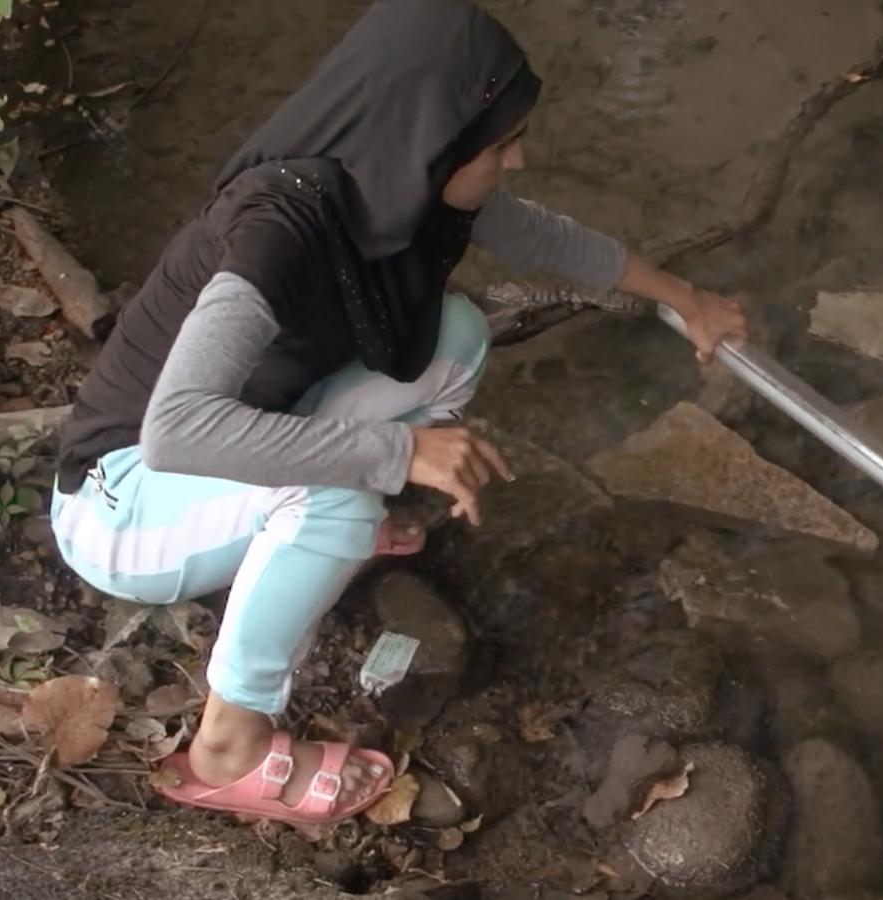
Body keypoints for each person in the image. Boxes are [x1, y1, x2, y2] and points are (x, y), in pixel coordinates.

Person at [48, 0, 747, 826]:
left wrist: (688, 298)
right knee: (335, 493)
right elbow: (175, 431)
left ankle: (314, 542)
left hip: (216, 455)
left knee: (455, 333)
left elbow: (551, 242)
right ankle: (227, 749)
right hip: (121, 503)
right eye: (500, 145)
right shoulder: (278, 229)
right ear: (436, 140)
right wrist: (396, 455)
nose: (516, 160)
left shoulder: (399, 180)